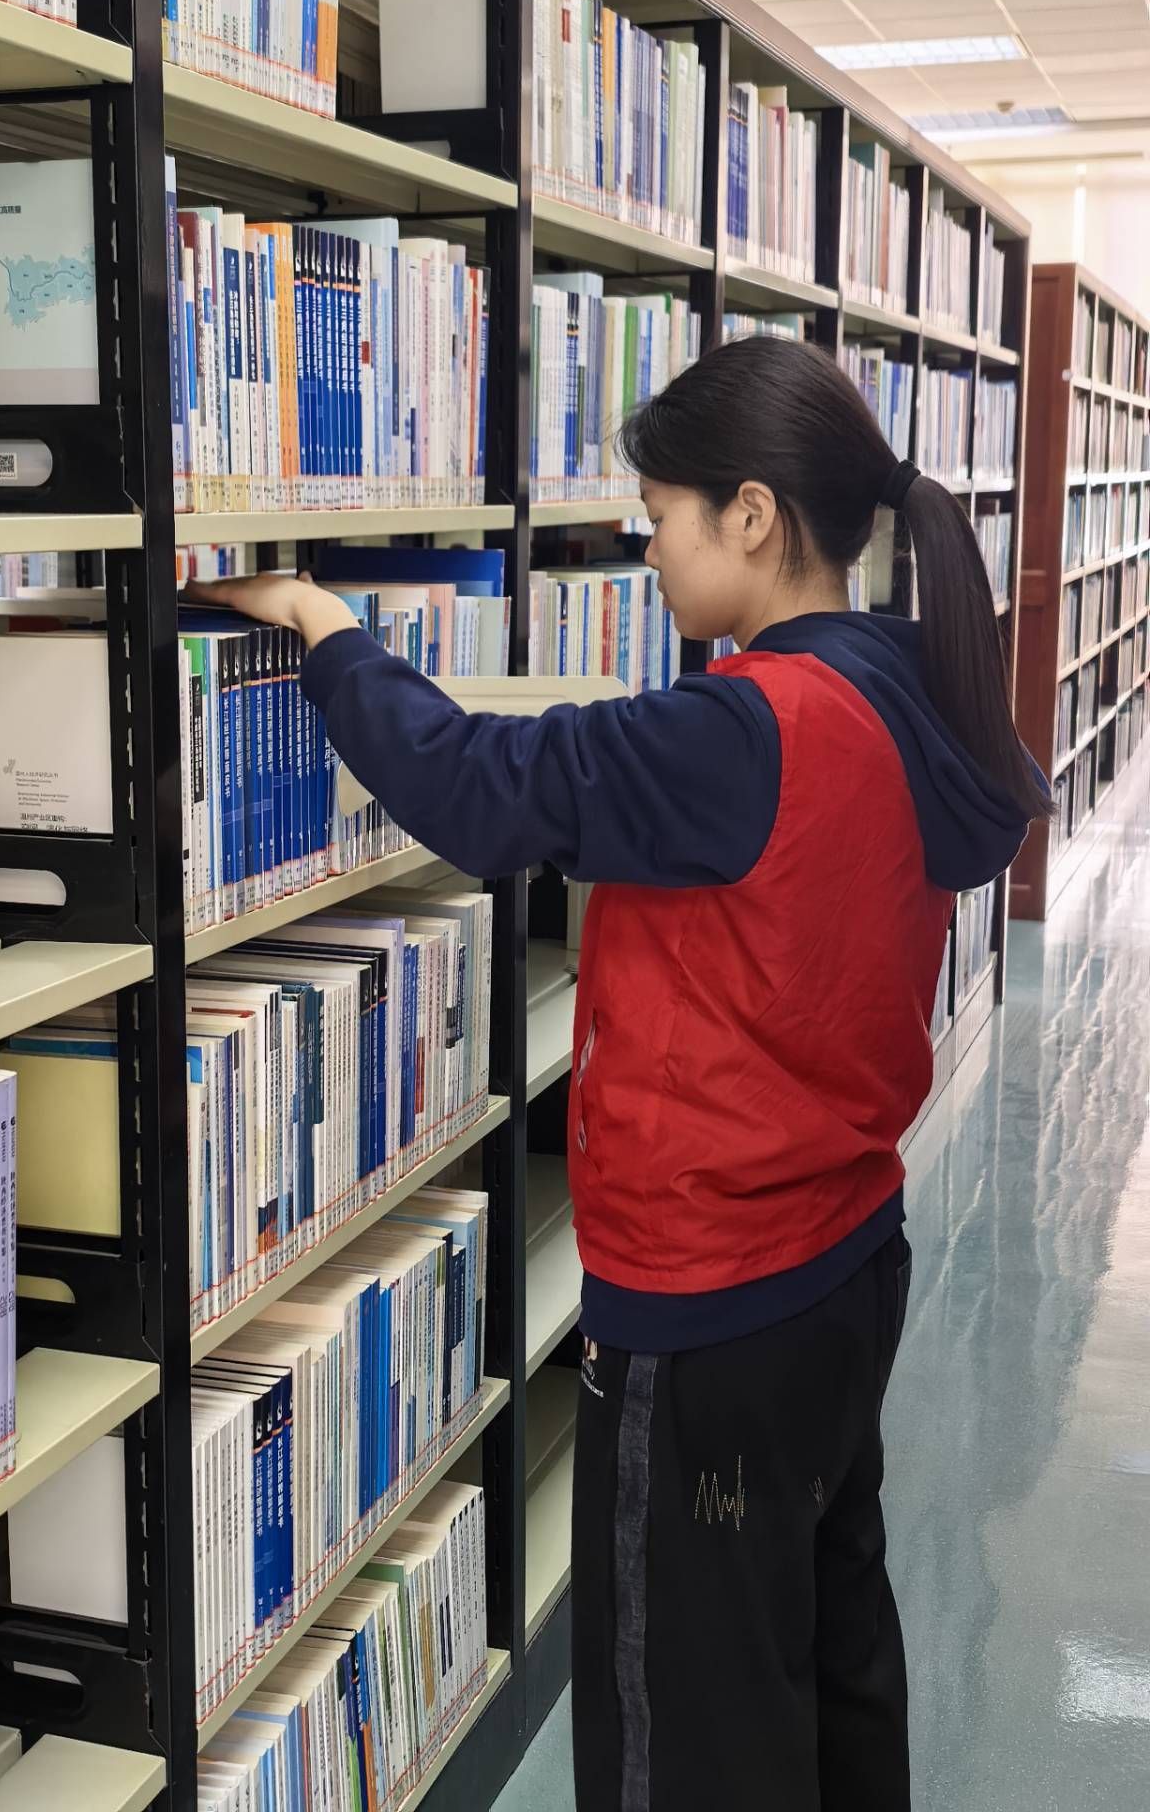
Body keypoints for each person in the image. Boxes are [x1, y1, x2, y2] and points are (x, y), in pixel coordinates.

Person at [190, 335, 1049, 1811]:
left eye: (659, 518)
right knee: (828, 1649)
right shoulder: (905, 691)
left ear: (752, 517)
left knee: (684, 1735)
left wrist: (323, 624)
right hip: (846, 1260)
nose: (645, 553)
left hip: (711, 1309)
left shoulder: (742, 729)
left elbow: (476, 787)